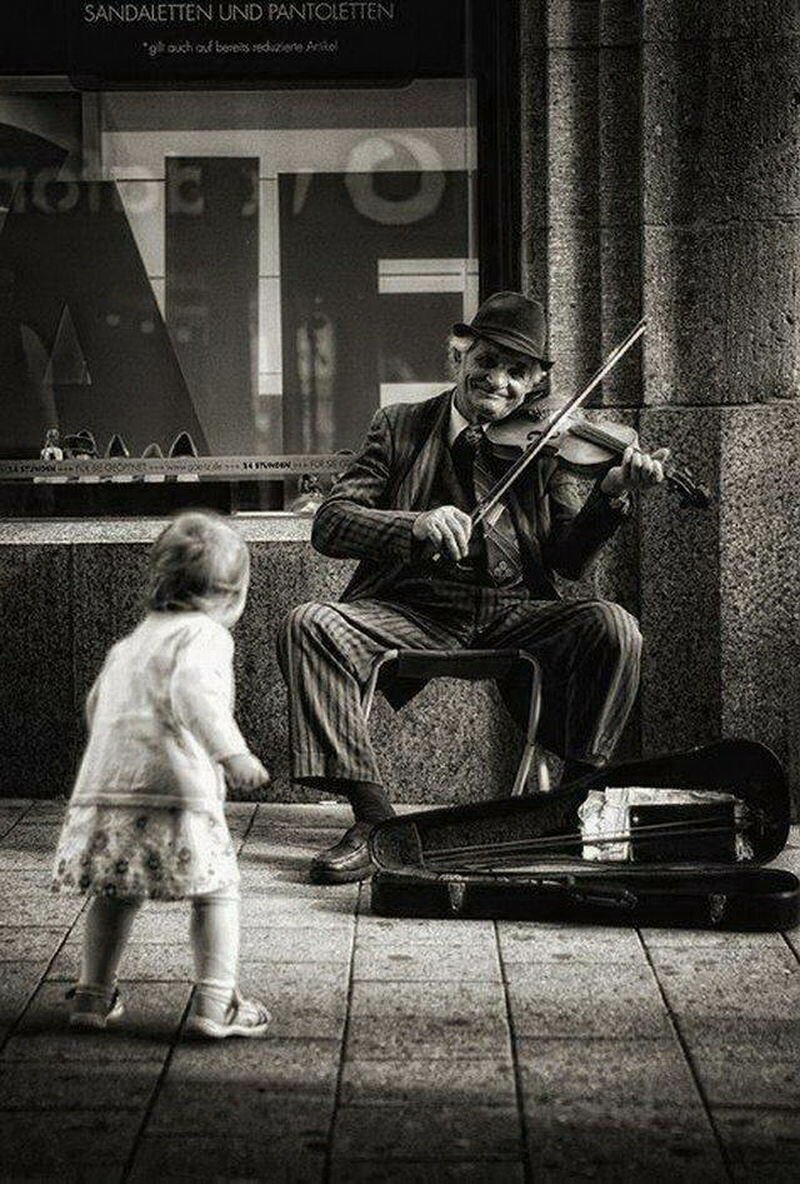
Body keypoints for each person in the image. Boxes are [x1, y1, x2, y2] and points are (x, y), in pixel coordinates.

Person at [278, 292, 669, 885]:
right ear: (459, 356)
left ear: (536, 381)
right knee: (309, 623)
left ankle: (573, 806)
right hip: (414, 609)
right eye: (487, 361)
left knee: (614, 626)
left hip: (517, 612)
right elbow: (331, 523)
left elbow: (568, 561)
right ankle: (374, 823)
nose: (499, 381)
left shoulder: (548, 445)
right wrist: (416, 525)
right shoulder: (401, 425)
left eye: (518, 372)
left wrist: (612, 494)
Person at [52, 511, 271, 1038]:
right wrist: (231, 753)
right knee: (217, 889)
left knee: (114, 891)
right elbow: (195, 694)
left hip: (108, 790)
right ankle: (216, 1003)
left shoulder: (130, 644)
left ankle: (93, 995)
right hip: (176, 792)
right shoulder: (204, 635)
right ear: (233, 596)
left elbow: (95, 707)